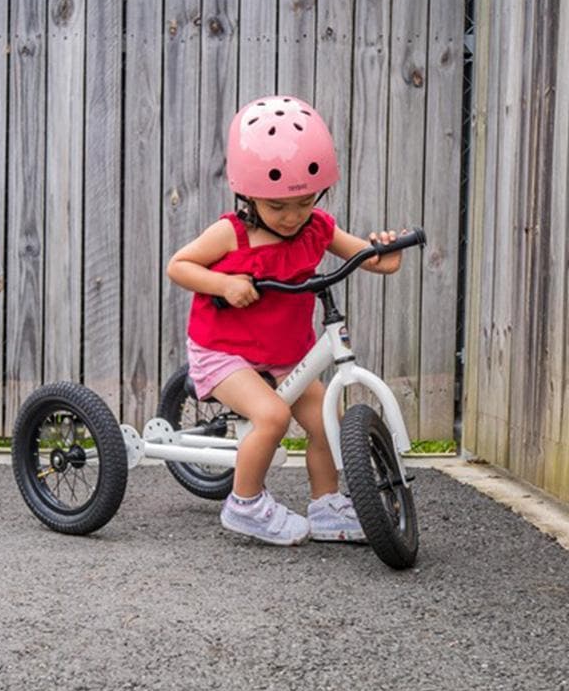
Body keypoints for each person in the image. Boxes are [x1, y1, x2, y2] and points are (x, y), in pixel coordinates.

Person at [167, 95, 403, 546]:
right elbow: (179, 266)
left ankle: (327, 505)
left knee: (324, 422)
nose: (293, 217)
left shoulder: (319, 228)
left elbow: (370, 259)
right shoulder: (231, 233)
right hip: (224, 350)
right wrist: (224, 284)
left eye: (304, 202)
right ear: (248, 195)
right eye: (277, 207)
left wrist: (384, 252)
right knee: (272, 417)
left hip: (285, 352)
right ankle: (245, 504)